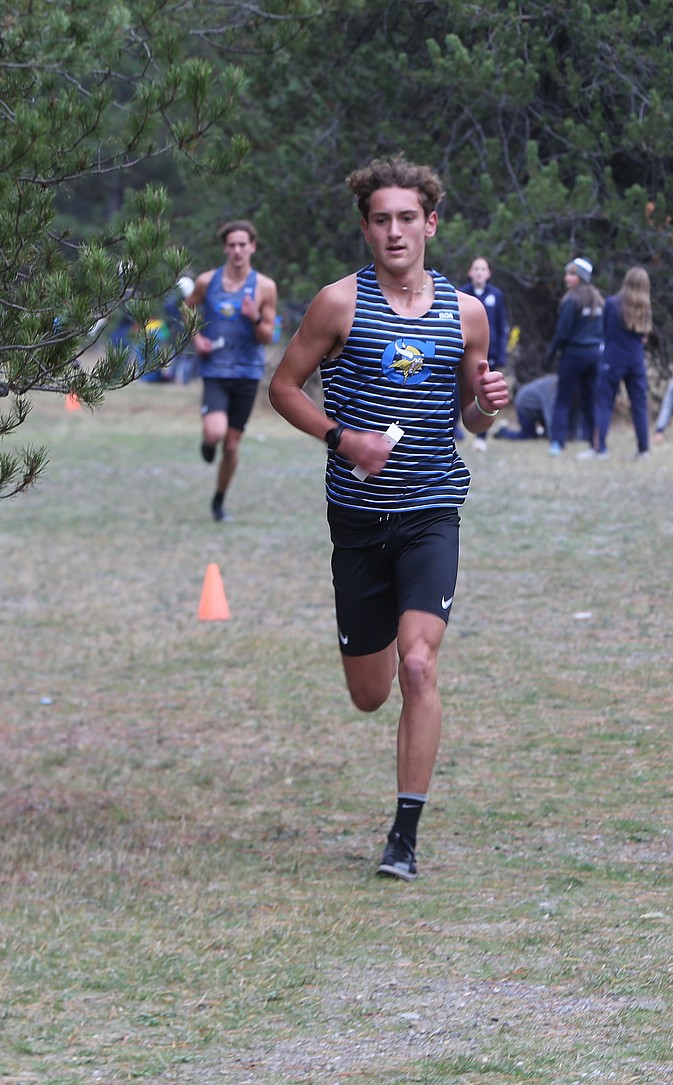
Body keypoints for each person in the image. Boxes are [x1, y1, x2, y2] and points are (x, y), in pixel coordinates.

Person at [267, 156, 509, 882]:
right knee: (370, 692)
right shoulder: (337, 304)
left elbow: (471, 416)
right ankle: (397, 801)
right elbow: (283, 387)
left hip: (432, 509)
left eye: (408, 218)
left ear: (430, 223)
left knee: (417, 663)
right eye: (382, 219)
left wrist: (489, 405)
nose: (395, 231)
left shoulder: (468, 313)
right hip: (357, 522)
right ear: (366, 228)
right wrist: (345, 439)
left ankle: (403, 836)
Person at [184, 221, 278, 522]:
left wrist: (254, 318)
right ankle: (208, 441)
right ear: (225, 248)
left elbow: (267, 336)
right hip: (215, 370)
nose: (238, 250)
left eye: (243, 244)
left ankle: (219, 501)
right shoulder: (206, 281)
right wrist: (197, 338)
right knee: (216, 431)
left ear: (252, 247)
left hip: (248, 373)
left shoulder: (265, 287)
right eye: (232, 245)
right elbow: (187, 309)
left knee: (233, 444)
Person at [583, 266, 652, 460]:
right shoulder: (645, 307)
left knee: (604, 403)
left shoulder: (613, 304)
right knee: (639, 405)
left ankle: (599, 448)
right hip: (636, 360)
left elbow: (605, 331)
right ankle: (643, 449)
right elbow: (644, 337)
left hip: (613, 360)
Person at [545, 257, 603, 456]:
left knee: (563, 399)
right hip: (595, 355)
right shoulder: (598, 300)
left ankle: (557, 443)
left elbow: (562, 333)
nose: (566, 278)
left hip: (573, 355)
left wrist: (550, 355)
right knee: (590, 399)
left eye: (571, 274)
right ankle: (595, 443)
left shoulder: (571, 300)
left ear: (581, 278)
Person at [458, 256, 509, 451]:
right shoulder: (462, 294)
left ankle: (482, 438)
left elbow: (501, 325)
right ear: (470, 272)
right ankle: (454, 430)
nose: (479, 272)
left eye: (483, 269)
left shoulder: (496, 295)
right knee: (460, 392)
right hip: (465, 355)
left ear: (489, 274)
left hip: (490, 353)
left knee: (486, 396)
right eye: (476, 268)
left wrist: (501, 353)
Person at [493, 373, 557, 440]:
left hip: (537, 407)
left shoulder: (556, 382)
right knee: (528, 435)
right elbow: (550, 412)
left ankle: (545, 433)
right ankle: (503, 432)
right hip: (524, 405)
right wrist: (554, 435)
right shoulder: (552, 387)